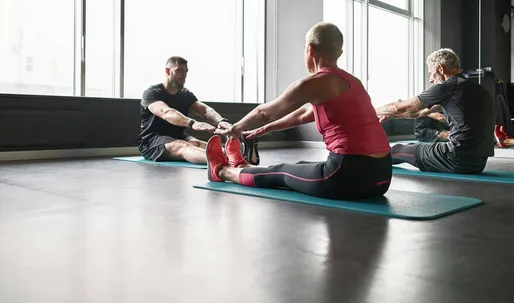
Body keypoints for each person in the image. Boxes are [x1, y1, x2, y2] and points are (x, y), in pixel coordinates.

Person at [203, 22, 392, 200]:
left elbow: (264, 113)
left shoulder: (312, 83)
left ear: (309, 49)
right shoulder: (352, 82)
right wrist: (269, 128)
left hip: (345, 177)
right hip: (382, 177)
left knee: (282, 172)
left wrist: (235, 128)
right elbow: (304, 114)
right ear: (339, 53)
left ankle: (221, 170)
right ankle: (242, 166)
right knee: (299, 167)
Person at [375, 48, 495, 174]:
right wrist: (393, 115)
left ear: (441, 69)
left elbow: (398, 107)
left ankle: (369, 162)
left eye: (432, 73)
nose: (430, 80)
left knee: (399, 149)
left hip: (457, 159)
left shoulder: (448, 87)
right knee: (411, 145)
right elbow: (418, 113)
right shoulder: (475, 88)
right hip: (479, 163)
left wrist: (370, 111)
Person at [137, 56, 235, 163]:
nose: (184, 75)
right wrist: (192, 123)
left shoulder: (185, 94)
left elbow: (205, 110)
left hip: (177, 136)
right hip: (152, 141)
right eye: (179, 70)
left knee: (201, 144)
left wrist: (220, 121)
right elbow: (167, 113)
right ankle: (228, 162)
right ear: (167, 71)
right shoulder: (152, 93)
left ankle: (234, 159)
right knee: (183, 146)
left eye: (185, 71)